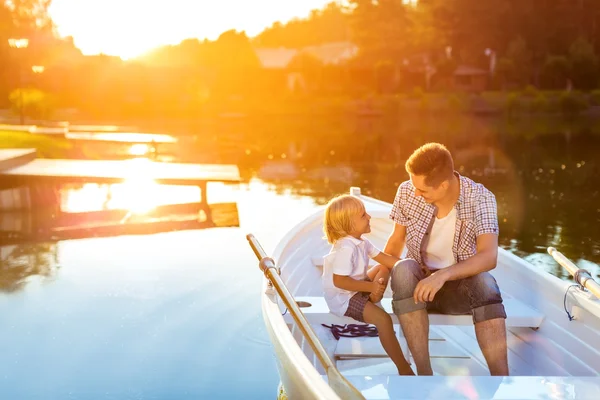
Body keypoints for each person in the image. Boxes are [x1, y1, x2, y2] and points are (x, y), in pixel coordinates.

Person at [384, 142, 509, 376]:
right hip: (416, 288)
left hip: (458, 291)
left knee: (485, 282)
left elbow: (488, 256)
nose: (415, 194)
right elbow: (395, 241)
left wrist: (442, 276)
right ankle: (424, 374)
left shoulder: (481, 198)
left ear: (443, 185)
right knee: (402, 269)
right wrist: (377, 280)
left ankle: (502, 382)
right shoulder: (407, 192)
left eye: (422, 190)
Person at [322, 194, 414, 375]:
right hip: (343, 297)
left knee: (383, 267)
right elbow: (339, 281)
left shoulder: (363, 243)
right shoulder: (346, 248)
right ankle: (402, 367)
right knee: (383, 320)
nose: (369, 217)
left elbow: (386, 259)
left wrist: (410, 266)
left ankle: (372, 297)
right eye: (363, 215)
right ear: (348, 224)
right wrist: (371, 287)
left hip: (358, 286)